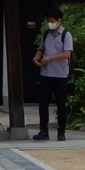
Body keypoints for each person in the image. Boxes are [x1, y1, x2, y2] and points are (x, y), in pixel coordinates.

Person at [32, 10, 73, 141]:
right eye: (48, 21)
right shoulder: (46, 34)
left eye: (52, 21)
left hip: (60, 75)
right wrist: (36, 57)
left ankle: (61, 131)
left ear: (59, 20)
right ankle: (43, 131)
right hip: (46, 74)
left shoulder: (66, 35)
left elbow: (67, 54)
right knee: (43, 103)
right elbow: (41, 48)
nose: (50, 23)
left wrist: (50, 58)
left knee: (61, 104)